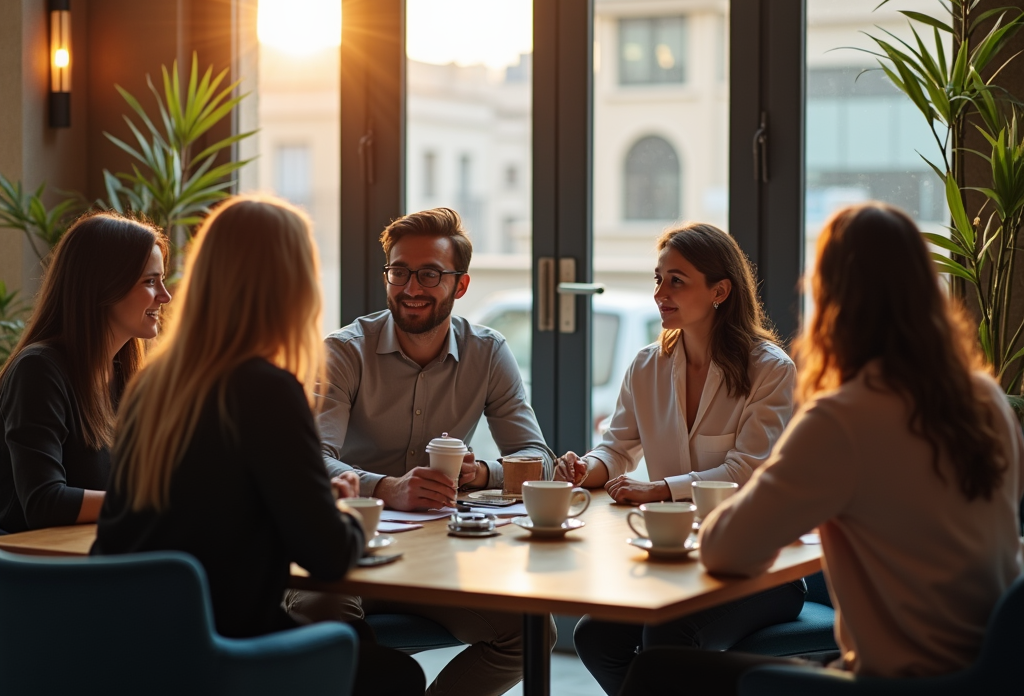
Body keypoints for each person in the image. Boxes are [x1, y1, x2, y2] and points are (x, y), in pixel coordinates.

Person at [622, 203, 1024, 694]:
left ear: (831, 298)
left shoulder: (843, 417)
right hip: (994, 673)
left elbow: (725, 549)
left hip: (898, 683)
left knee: (655, 670)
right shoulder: (986, 399)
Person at [92, 195, 424, 696]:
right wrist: (350, 517)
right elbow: (328, 557)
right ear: (291, 286)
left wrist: (307, 505)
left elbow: (211, 506)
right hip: (223, 654)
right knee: (396, 676)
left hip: (127, 648)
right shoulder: (265, 388)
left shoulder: (153, 384)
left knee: (352, 638)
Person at [286, 206, 556, 696]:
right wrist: (388, 488)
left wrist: (482, 475)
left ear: (461, 284)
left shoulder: (488, 352)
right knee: (329, 622)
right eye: (399, 271)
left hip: (435, 555)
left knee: (530, 634)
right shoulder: (344, 351)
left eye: (430, 273)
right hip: (341, 546)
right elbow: (310, 463)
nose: (411, 288)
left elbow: (539, 459)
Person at [557, 222, 803, 696]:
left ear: (720, 291)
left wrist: (659, 489)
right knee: (594, 636)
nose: (660, 293)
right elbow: (618, 446)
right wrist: (588, 469)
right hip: (678, 560)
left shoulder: (770, 369)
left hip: (758, 566)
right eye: (658, 279)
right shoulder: (647, 365)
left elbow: (744, 471)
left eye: (677, 281)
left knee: (667, 638)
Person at [0, 212, 170, 534]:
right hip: (34, 571)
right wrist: (151, 502)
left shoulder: (123, 375)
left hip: (90, 558)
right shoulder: (38, 370)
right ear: (104, 287)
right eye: (150, 281)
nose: (165, 295)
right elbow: (44, 502)